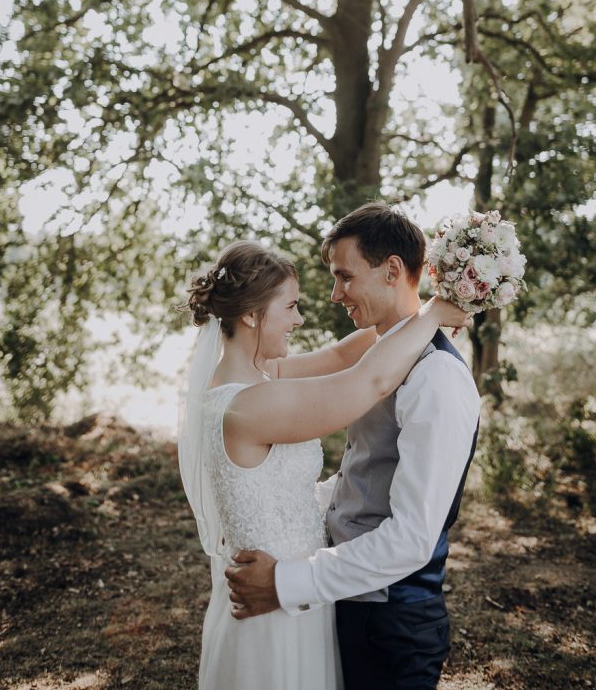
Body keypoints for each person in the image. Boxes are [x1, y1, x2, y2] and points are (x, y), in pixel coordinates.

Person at [178, 236, 470, 690]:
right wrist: (431, 314)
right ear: (253, 315)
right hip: (272, 605)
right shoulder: (251, 405)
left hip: (295, 593)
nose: (300, 318)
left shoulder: (247, 379)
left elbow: (340, 356)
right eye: (291, 307)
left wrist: (408, 312)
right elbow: (365, 380)